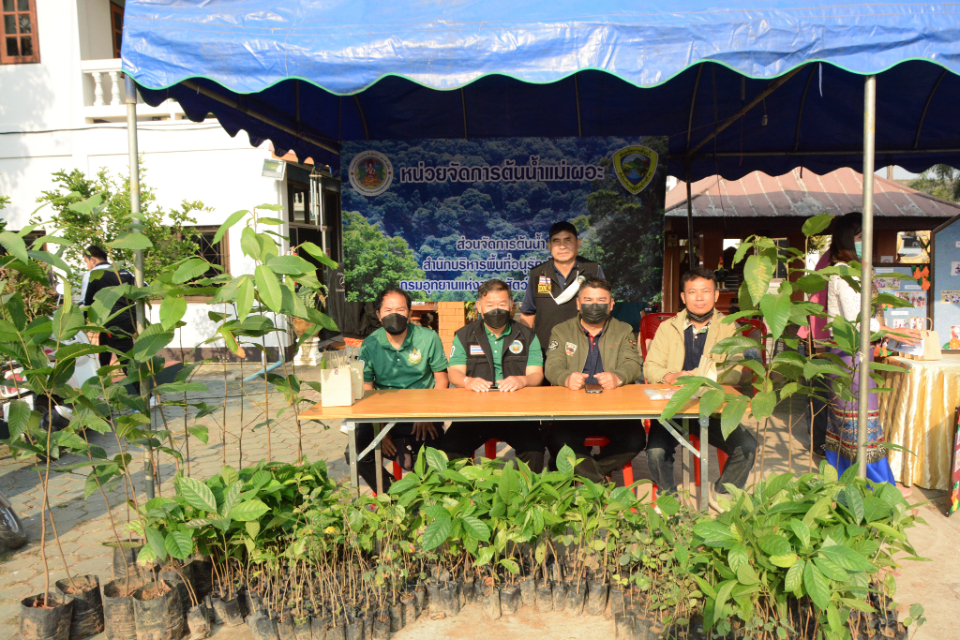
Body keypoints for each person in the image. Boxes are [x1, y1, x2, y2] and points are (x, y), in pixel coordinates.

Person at [643, 268, 757, 501]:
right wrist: (669, 376)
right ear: (683, 297)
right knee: (655, 452)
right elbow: (650, 367)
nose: (699, 297)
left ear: (716, 295)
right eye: (692, 292)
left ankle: (722, 493)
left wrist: (692, 377)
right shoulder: (667, 328)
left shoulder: (728, 328)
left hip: (712, 407)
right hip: (673, 407)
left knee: (746, 446)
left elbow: (733, 371)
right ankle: (669, 499)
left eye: (706, 291)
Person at [823, 212, 919, 487]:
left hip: (852, 353)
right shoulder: (844, 274)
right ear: (848, 240)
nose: (866, 243)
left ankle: (844, 483)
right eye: (860, 237)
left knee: (849, 424)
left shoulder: (850, 271)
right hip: (850, 355)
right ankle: (877, 487)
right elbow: (857, 322)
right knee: (861, 424)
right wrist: (893, 331)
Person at [347, 286, 449, 491]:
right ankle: (396, 496)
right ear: (378, 314)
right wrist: (380, 427)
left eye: (401, 309)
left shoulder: (428, 338)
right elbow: (367, 386)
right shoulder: (370, 343)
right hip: (383, 413)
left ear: (409, 312)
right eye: (388, 310)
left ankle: (422, 497)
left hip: (423, 414)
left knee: (432, 458)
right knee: (356, 454)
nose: (394, 314)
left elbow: (442, 380)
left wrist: (428, 414)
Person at [543, 277, 644, 482]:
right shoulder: (561, 330)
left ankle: (586, 476)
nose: (594, 305)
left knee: (636, 439)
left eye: (601, 300)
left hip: (614, 409)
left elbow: (633, 363)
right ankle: (599, 482)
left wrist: (618, 377)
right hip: (572, 410)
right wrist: (566, 378)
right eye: (588, 300)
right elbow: (552, 366)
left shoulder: (623, 330)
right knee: (557, 438)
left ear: (611, 304)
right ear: (578, 303)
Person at [441, 279, 546, 471]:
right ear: (479, 306)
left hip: (517, 414)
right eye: (490, 305)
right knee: (449, 450)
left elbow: (536, 375)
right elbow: (454, 373)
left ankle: (523, 490)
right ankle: (463, 490)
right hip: (474, 414)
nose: (496, 310)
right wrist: (467, 381)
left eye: (502, 304)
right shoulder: (464, 335)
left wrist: (522, 380)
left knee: (535, 450)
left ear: (511, 305)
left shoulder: (527, 335)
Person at [520, 221, 604, 356]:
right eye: (556, 241)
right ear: (549, 246)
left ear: (578, 243)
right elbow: (528, 313)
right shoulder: (538, 273)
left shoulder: (593, 270)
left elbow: (604, 309)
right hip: (546, 350)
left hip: (585, 351)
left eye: (568, 240)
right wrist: (525, 347)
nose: (562, 246)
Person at [80, 246, 137, 368]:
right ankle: (103, 374)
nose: (87, 266)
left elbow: (85, 303)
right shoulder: (124, 272)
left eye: (86, 261)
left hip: (113, 321)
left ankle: (138, 379)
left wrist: (80, 324)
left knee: (125, 357)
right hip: (131, 318)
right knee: (105, 345)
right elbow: (144, 287)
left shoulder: (93, 274)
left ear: (93, 260)